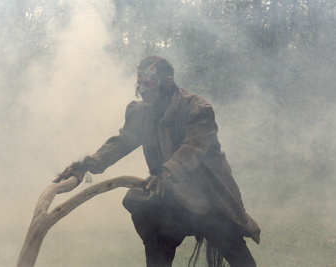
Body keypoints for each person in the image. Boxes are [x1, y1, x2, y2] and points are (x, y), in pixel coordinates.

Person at [54, 56, 261, 267]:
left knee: (238, 256)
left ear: (167, 82)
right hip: (170, 200)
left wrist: (165, 172)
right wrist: (84, 165)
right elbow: (121, 142)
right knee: (156, 242)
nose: (142, 90)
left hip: (208, 198)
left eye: (148, 83)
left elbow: (192, 149)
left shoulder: (197, 109)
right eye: (140, 84)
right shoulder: (142, 113)